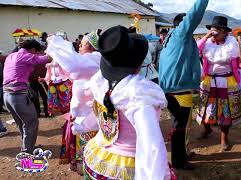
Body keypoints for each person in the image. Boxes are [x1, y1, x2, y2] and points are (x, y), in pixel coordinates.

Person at [74, 25, 172, 179]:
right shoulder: (139, 94)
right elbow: (151, 144)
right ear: (139, 63)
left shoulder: (99, 81)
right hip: (127, 164)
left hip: (99, 154)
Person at [158, 0, 209, 170]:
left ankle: (182, 155)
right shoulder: (181, 34)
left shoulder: (170, 39)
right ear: (183, 26)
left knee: (180, 125)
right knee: (180, 127)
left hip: (173, 89)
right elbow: (194, 14)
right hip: (179, 91)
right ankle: (179, 161)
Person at [46, 30, 101, 174]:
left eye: (82, 44)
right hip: (87, 115)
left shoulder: (94, 59)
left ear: (92, 46)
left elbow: (73, 66)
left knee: (92, 154)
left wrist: (56, 43)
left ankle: (90, 170)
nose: (79, 47)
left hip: (90, 118)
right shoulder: (93, 60)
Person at [196, 16, 241, 152]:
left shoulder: (232, 43)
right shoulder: (207, 42)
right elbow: (195, 50)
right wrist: (207, 36)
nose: (214, 34)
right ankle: (207, 129)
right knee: (206, 107)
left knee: (225, 111)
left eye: (217, 31)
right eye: (212, 30)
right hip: (209, 80)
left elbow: (236, 61)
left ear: (225, 32)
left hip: (226, 81)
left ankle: (224, 138)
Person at [3, 40, 51, 153]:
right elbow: (46, 59)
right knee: (31, 122)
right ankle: (27, 152)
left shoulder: (11, 55)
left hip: (6, 96)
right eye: (37, 52)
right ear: (33, 50)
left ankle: (27, 147)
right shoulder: (25, 56)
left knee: (22, 123)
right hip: (17, 95)